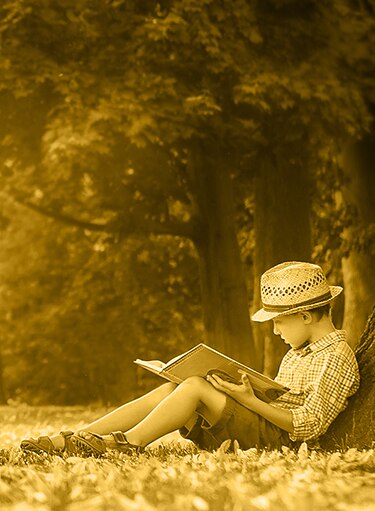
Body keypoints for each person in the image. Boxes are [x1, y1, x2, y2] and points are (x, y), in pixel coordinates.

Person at [20, 261, 360, 456]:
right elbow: (281, 398)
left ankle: (129, 444)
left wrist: (247, 400)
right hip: (263, 425)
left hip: (280, 440)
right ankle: (77, 437)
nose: (275, 332)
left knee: (196, 386)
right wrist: (246, 390)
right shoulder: (297, 354)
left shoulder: (337, 357)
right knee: (174, 387)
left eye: (279, 322)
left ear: (304, 316)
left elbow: (307, 425)